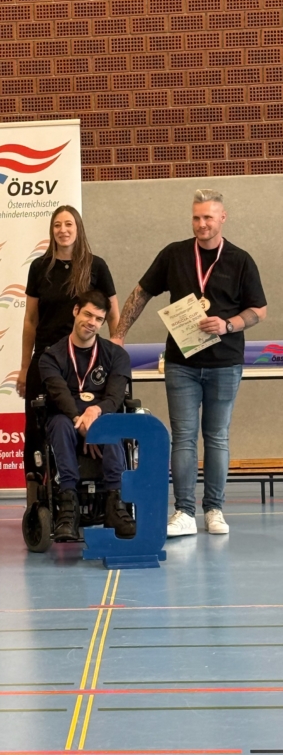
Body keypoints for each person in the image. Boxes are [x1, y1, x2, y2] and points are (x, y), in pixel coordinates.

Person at [111, 189, 267, 537]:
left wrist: (228, 324)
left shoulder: (241, 260)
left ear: (222, 217)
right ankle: (183, 512)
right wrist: (119, 335)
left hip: (225, 363)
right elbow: (141, 293)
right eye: (196, 217)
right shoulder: (175, 254)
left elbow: (259, 310)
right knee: (183, 437)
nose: (201, 224)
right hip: (181, 363)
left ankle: (214, 509)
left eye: (208, 217)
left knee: (217, 437)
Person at [17, 205, 120, 489]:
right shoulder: (40, 267)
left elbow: (113, 314)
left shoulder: (96, 265)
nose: (63, 230)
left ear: (78, 229)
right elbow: (30, 320)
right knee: (38, 424)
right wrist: (25, 367)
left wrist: (116, 349)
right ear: (52, 231)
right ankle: (39, 487)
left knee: (85, 414)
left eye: (69, 225)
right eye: (57, 225)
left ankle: (99, 485)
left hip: (88, 359)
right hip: (49, 360)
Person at [39, 290, 136, 541]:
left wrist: (95, 413)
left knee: (110, 422)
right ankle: (68, 508)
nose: (91, 322)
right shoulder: (51, 356)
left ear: (103, 323)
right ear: (75, 311)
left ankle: (116, 503)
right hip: (67, 421)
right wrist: (82, 422)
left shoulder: (117, 356)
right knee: (60, 422)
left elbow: (114, 397)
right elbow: (59, 396)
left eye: (98, 319)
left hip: (100, 421)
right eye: (87, 314)